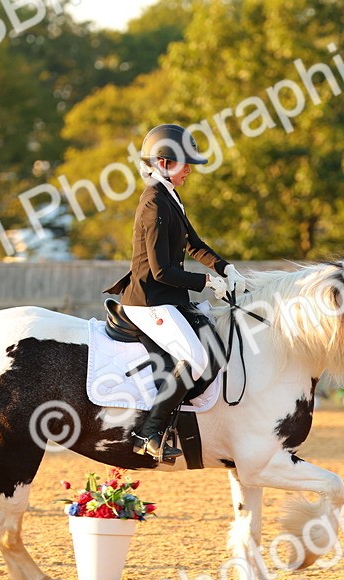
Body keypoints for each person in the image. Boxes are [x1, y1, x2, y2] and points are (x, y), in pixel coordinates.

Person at [102, 124, 243, 461]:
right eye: (185, 164)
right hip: (148, 301)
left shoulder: (170, 196)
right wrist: (206, 284)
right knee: (194, 357)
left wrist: (225, 268)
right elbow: (160, 270)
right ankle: (147, 433)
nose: (190, 170)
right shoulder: (153, 202)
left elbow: (194, 244)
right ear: (163, 163)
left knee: (211, 343)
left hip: (168, 299)